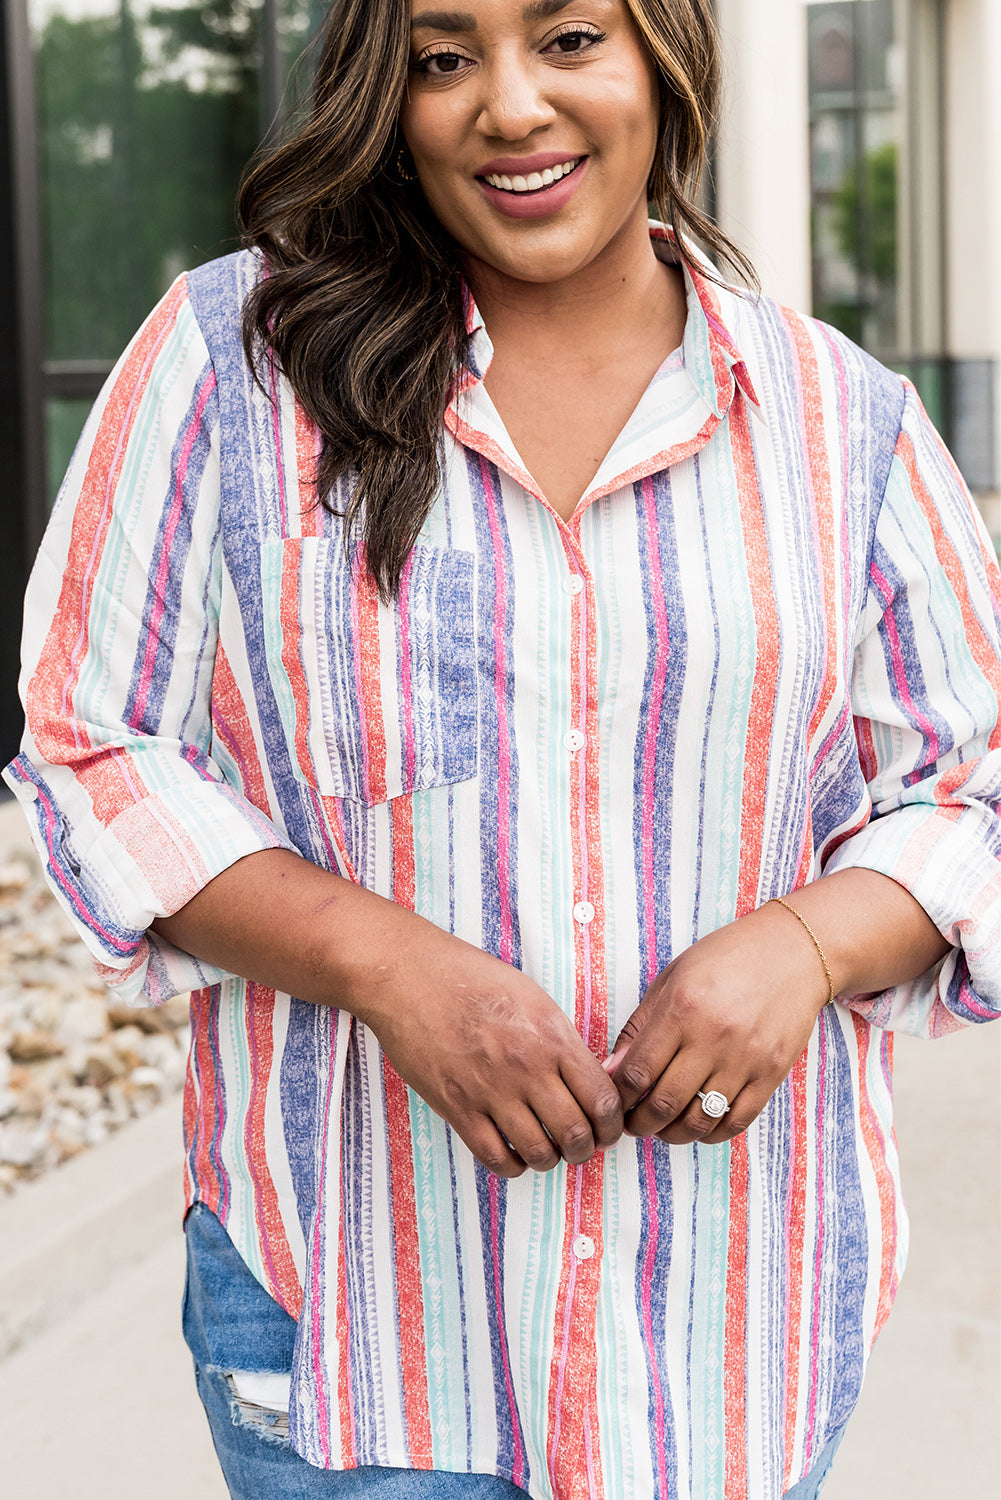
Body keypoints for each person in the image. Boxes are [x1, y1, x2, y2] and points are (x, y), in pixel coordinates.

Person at [5, 0, 1000, 1495]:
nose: (509, 106)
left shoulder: (840, 421)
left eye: (570, 40)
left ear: (663, 61)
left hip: (730, 1322)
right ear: (382, 100)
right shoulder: (232, 363)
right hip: (353, 1316)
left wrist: (804, 945)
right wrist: (386, 964)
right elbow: (91, 742)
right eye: (441, 58)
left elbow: (969, 778)